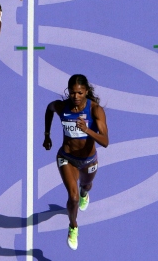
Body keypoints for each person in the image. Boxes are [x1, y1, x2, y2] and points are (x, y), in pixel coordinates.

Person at [43, 74, 109, 251]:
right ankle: (73, 226)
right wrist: (47, 135)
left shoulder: (95, 110)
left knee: (86, 186)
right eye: (72, 93)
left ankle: (84, 192)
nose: (76, 96)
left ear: (86, 92)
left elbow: (105, 141)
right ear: (69, 92)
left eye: (80, 93)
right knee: (72, 198)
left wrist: (87, 130)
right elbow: (49, 109)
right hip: (67, 157)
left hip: (88, 160)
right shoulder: (61, 107)